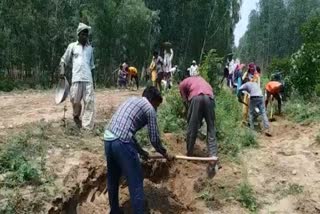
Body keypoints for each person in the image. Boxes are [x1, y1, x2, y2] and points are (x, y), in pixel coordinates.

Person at [103, 86, 173, 213]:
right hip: (122, 142)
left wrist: (141, 152)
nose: (156, 109)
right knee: (136, 181)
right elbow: (154, 138)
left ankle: (114, 211)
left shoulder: (131, 100)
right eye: (156, 105)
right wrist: (165, 153)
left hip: (108, 139)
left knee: (113, 179)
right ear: (152, 101)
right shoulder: (149, 108)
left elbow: (127, 131)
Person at [179, 76, 218, 177]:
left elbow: (185, 99)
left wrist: (187, 107)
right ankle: (213, 157)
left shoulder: (183, 83)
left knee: (192, 127)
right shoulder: (202, 81)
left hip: (196, 97)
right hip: (209, 98)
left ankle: (189, 153)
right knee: (211, 128)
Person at [59, 23, 95, 130]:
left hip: (88, 80)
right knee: (75, 100)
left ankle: (87, 127)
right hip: (76, 79)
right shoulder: (72, 46)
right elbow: (63, 60)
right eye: (83, 34)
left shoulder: (90, 49)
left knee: (89, 102)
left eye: (86, 35)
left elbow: (92, 66)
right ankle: (76, 116)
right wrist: (62, 72)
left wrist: (94, 82)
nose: (85, 36)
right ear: (78, 35)